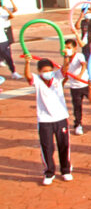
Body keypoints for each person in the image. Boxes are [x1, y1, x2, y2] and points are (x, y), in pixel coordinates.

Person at [24, 55, 73, 186]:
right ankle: (49, 172)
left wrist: (66, 57)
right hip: (44, 120)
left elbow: (65, 69)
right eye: (44, 71)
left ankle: (65, 170)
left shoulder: (57, 76)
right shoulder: (37, 80)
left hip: (61, 117)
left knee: (64, 145)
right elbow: (28, 76)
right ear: (40, 71)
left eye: (49, 70)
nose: (48, 73)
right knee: (47, 147)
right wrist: (27, 63)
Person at [63, 38, 91, 135]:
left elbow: (84, 65)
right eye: (65, 47)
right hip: (74, 87)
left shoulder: (79, 55)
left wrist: (80, 75)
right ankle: (78, 125)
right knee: (77, 107)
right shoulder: (66, 58)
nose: (67, 49)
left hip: (85, 84)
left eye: (69, 47)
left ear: (74, 48)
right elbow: (65, 71)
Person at [0, 0, 22, 79]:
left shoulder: (1, 16)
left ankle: (14, 72)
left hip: (2, 40)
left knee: (8, 57)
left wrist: (5, 8)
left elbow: (11, 16)